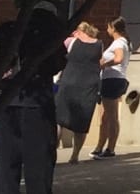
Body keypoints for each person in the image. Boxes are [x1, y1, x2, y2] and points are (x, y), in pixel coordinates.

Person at [0, 5, 65, 194]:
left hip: (8, 101)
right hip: (37, 104)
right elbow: (59, 64)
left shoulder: (11, 31)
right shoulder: (51, 35)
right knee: (38, 165)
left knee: (8, 163)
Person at [50, 26, 102, 165]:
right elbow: (100, 63)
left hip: (68, 83)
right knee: (81, 123)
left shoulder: (70, 41)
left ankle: (52, 153)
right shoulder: (99, 44)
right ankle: (75, 155)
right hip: (88, 86)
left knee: (58, 120)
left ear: (80, 31)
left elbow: (58, 57)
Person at [91, 21, 129, 160]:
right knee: (106, 116)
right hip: (112, 79)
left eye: (108, 27)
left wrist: (104, 65)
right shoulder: (121, 42)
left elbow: (118, 59)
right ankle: (100, 147)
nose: (107, 30)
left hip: (112, 79)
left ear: (113, 28)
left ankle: (110, 148)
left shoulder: (119, 43)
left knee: (111, 116)